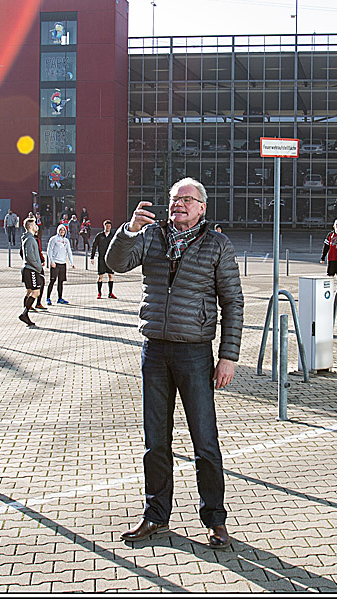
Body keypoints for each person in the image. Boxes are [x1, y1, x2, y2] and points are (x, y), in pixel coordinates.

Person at [106, 177, 243, 550]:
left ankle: (215, 520)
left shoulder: (217, 245)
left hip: (195, 353)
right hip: (155, 351)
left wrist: (228, 356)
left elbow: (233, 303)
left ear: (202, 207)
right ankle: (155, 515)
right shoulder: (151, 236)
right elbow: (115, 264)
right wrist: (130, 230)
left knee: (205, 442)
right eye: (174, 198)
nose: (178, 204)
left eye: (187, 199)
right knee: (155, 441)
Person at [18, 217, 44, 326]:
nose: (36, 226)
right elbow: (29, 255)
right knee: (36, 292)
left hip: (30, 268)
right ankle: (25, 313)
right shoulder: (29, 239)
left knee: (30, 292)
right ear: (30, 227)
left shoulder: (30, 238)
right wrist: (38, 266)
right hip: (31, 269)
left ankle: (26, 313)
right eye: (34, 225)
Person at [46, 223, 76, 304]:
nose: (62, 231)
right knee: (52, 281)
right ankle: (48, 298)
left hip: (63, 263)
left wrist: (71, 262)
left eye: (63, 230)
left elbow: (69, 251)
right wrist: (51, 261)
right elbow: (49, 250)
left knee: (61, 281)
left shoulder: (66, 241)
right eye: (61, 230)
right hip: (55, 263)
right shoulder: (54, 239)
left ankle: (60, 298)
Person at [89, 220, 118, 299]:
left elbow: (116, 247)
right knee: (100, 276)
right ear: (104, 226)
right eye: (106, 226)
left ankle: (110, 293)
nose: (108, 227)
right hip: (101, 258)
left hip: (110, 259)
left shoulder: (113, 236)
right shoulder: (99, 236)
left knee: (110, 276)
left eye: (109, 226)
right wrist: (92, 257)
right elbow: (94, 246)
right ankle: (99, 293)